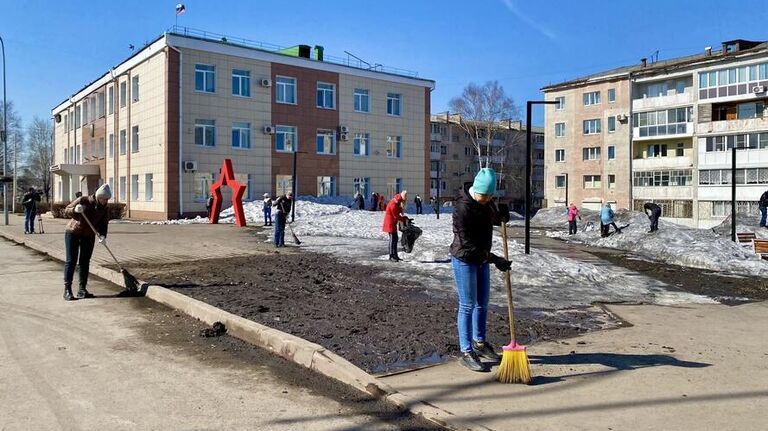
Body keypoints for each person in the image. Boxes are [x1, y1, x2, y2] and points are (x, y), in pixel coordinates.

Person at [450, 168, 511, 372]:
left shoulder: (486, 203)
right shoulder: (462, 208)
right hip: (465, 258)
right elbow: (467, 244)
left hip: (482, 258)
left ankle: (480, 342)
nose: (486, 199)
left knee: (482, 303)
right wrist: (494, 259)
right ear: (475, 189)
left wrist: (501, 215)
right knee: (467, 304)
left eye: (490, 196)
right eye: (483, 195)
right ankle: (466, 351)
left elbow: (489, 218)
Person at [62, 184, 112, 301]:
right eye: (104, 199)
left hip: (88, 236)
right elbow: (66, 210)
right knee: (71, 260)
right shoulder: (83, 200)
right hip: (73, 233)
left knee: (84, 262)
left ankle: (82, 289)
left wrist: (103, 236)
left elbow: (103, 224)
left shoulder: (104, 209)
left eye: (107, 200)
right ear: (98, 197)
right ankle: (67, 290)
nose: (105, 201)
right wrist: (75, 210)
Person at [382, 190, 408, 261]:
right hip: (389, 223)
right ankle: (391, 256)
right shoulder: (394, 203)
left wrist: (402, 214)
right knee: (392, 239)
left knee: (395, 239)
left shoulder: (397, 201)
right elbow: (396, 215)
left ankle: (395, 255)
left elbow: (398, 210)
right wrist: (403, 219)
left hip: (392, 223)